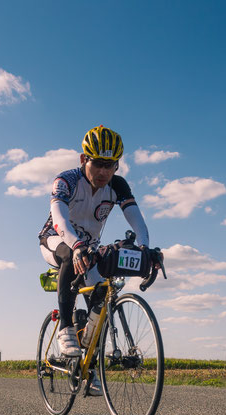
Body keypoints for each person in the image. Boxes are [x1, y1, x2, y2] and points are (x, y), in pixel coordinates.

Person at [39, 125, 150, 361]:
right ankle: (65, 328)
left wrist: (145, 248)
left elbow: (136, 219)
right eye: (97, 163)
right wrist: (76, 246)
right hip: (55, 239)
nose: (103, 171)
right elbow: (59, 218)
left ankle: (89, 363)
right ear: (83, 159)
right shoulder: (66, 180)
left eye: (109, 165)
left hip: (88, 247)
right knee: (71, 253)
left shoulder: (117, 186)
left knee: (101, 302)